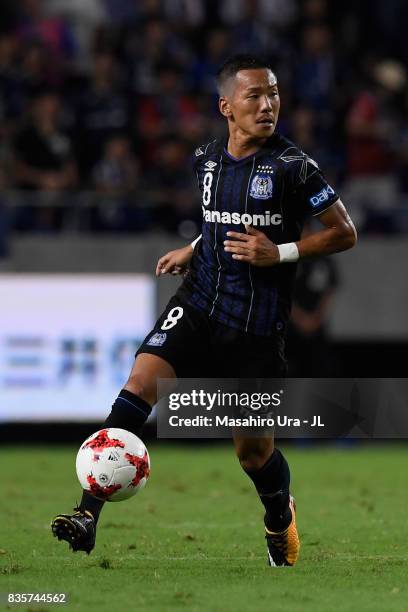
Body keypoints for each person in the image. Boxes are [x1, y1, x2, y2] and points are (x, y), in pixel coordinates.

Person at [51, 54, 356, 567]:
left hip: (256, 328)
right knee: (138, 386)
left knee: (252, 453)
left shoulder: (293, 167)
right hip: (197, 304)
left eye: (274, 94)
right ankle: (86, 515)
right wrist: (193, 249)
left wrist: (278, 251)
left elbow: (344, 233)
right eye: (254, 96)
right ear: (226, 107)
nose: (268, 105)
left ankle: (280, 514)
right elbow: (219, 220)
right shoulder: (207, 158)